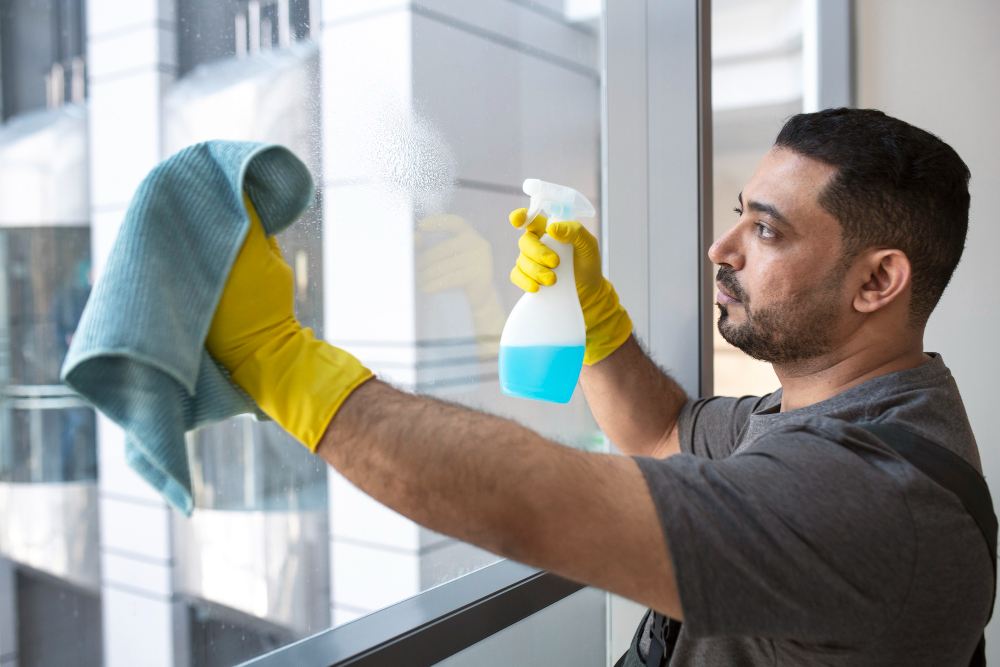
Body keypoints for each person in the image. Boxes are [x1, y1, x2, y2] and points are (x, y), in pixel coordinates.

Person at [205, 108, 991, 665]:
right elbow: (661, 430)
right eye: (738, 214)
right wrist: (593, 314)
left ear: (878, 280)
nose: (721, 247)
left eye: (766, 229)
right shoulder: (840, 413)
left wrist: (280, 358)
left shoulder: (868, 494)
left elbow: (533, 503)